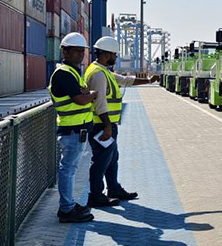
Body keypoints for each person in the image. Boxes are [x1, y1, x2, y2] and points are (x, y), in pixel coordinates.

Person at [83, 36, 159, 207]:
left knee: (112, 158)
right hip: (101, 126)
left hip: (106, 125)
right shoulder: (98, 75)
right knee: (100, 161)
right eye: (114, 55)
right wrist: (108, 127)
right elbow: (100, 102)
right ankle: (95, 195)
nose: (116, 58)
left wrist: (148, 80)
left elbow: (126, 80)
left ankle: (113, 188)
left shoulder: (103, 71)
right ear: (106, 54)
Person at [48, 33, 98, 223]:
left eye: (82, 51)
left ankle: (68, 205)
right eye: (76, 51)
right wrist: (92, 94)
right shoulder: (64, 74)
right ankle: (67, 209)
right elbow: (81, 98)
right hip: (72, 131)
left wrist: (87, 94)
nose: (80, 55)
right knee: (68, 169)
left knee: (70, 168)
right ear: (65, 51)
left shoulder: (73, 72)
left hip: (77, 130)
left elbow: (82, 94)